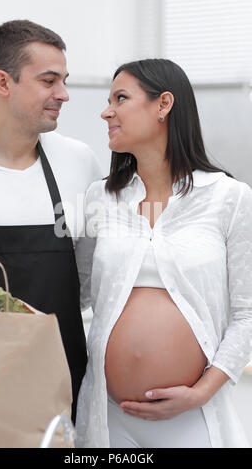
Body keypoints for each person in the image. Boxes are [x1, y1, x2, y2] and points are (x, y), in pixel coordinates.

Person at [75, 58, 252, 448]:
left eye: (120, 98)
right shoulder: (99, 198)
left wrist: (203, 391)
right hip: (108, 418)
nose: (107, 112)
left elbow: (247, 313)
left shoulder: (229, 198)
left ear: (163, 105)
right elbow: (78, 292)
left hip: (190, 420)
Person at [0, 19, 102, 423]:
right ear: (3, 82)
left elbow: (90, 276)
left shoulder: (80, 162)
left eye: (64, 80)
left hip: (60, 388)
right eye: (48, 80)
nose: (63, 94)